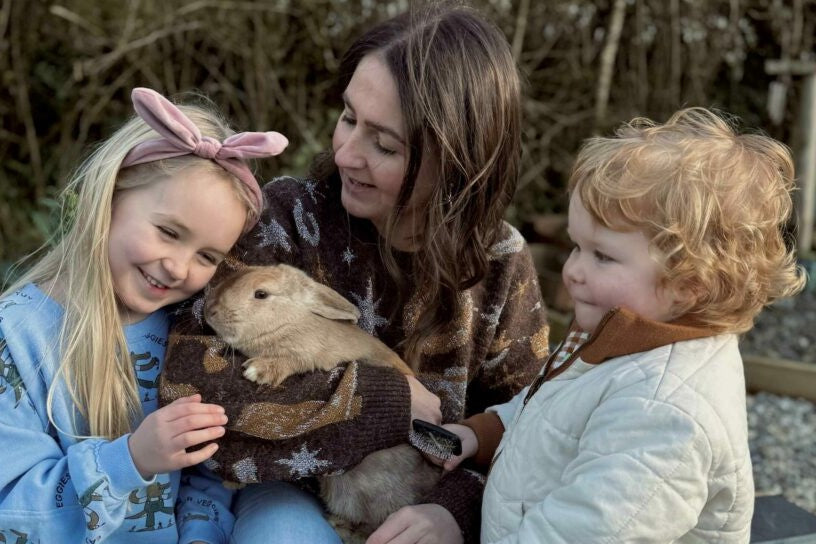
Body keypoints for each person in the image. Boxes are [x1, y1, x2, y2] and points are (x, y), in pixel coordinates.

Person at [161, 3, 550, 544]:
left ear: (458, 162)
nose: (345, 153)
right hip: (288, 492)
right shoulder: (286, 220)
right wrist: (374, 400)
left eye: (384, 145)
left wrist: (457, 509)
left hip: (423, 505)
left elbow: (539, 423)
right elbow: (187, 381)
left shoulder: (499, 260)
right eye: (348, 118)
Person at [435, 107, 807, 542]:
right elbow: (550, 411)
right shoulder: (621, 335)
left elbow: (587, 532)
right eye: (576, 246)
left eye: (602, 256)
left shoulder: (665, 413)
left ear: (688, 285)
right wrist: (483, 434)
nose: (573, 270)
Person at [0, 87, 287, 543]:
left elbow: (208, 474)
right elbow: (11, 508)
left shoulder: (191, 336)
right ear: (110, 197)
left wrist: (199, 535)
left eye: (207, 256)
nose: (177, 267)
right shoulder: (17, 338)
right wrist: (129, 459)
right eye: (168, 232)